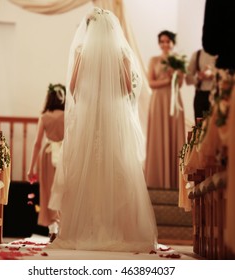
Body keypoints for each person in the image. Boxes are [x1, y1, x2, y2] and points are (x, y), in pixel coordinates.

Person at [47, 7, 158, 252]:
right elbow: (129, 89)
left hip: (90, 119)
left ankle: (86, 228)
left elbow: (73, 89)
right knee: (116, 166)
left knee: (88, 170)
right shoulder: (121, 53)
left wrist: (89, 101)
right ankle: (117, 228)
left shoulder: (81, 52)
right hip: (112, 117)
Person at [144, 30, 185, 190]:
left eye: (168, 41)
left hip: (173, 100)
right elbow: (150, 83)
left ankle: (175, 180)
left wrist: (175, 75)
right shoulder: (154, 60)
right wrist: (167, 79)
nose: (165, 44)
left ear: (173, 43)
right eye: (162, 41)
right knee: (158, 135)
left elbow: (180, 83)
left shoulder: (178, 60)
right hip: (158, 100)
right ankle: (158, 179)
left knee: (174, 135)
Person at [27, 84, 65, 243]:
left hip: (48, 155)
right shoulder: (68, 115)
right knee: (64, 190)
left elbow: (37, 143)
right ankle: (64, 227)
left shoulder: (44, 116)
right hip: (64, 153)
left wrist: (31, 168)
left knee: (48, 191)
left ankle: (52, 229)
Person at [185, 48, 217, 122]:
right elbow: (188, 79)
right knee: (199, 129)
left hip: (217, 97)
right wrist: (198, 78)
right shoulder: (197, 54)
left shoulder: (224, 54)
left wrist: (213, 75)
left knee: (215, 129)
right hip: (200, 97)